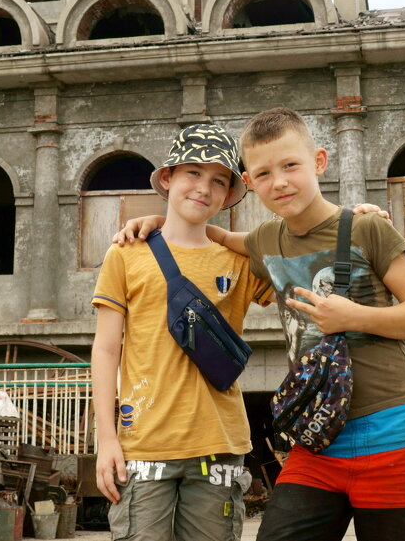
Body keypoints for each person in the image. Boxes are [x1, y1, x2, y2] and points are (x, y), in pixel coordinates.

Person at [116, 108, 405, 541]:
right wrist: (157, 222)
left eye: (291, 166)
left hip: (393, 425)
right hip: (317, 432)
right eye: (264, 173)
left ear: (319, 162)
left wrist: (352, 316)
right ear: (249, 183)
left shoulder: (367, 228)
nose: (281, 182)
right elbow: (213, 235)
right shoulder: (266, 241)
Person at [91, 123, 273, 541]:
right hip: (143, 446)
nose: (203, 188)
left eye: (218, 180)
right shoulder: (126, 253)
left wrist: (354, 223)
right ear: (168, 177)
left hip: (219, 443)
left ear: (229, 195)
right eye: (193, 172)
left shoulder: (237, 260)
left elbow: (295, 253)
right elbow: (105, 350)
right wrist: (106, 439)